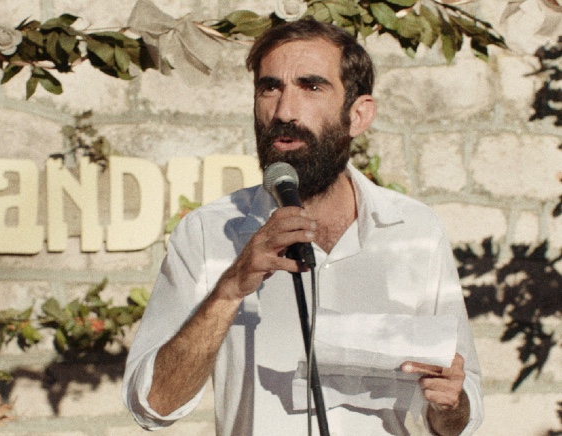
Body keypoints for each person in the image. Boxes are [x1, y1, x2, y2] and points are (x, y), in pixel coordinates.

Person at [122, 19, 483, 436]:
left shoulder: (415, 231)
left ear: (358, 114)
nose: (284, 111)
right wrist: (231, 288)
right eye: (270, 88)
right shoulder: (207, 233)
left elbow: (458, 412)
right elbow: (153, 405)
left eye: (311, 87)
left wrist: (450, 404)